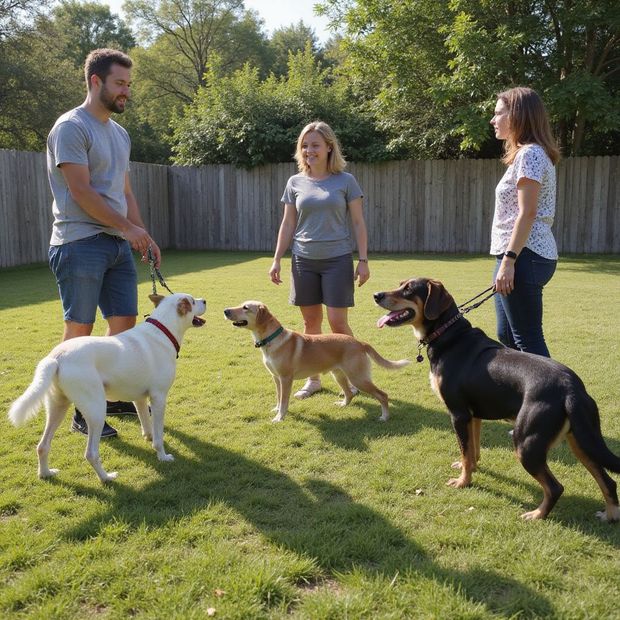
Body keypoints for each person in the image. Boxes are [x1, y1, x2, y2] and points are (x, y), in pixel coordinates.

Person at [46, 48, 161, 438]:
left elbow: (123, 191)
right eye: (120, 83)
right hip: (78, 241)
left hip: (116, 242)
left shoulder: (120, 132)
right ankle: (82, 410)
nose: (126, 91)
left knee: (124, 326)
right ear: (96, 81)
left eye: (129, 84)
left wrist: (140, 232)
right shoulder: (71, 127)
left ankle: (108, 397)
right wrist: (127, 229)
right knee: (80, 330)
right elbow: (81, 191)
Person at [269, 121, 370, 398]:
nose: (309, 150)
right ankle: (313, 380)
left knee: (338, 323)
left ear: (329, 147)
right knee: (310, 326)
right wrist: (277, 258)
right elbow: (288, 224)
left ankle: (351, 379)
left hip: (337, 259)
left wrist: (363, 260)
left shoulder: (346, 181)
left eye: (315, 145)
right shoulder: (295, 182)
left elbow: (359, 223)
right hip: (303, 260)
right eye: (304, 145)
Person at [489, 86, 560, 358]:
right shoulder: (525, 154)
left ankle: (553, 399)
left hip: (523, 256)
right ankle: (519, 398)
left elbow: (527, 212)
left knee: (526, 340)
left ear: (517, 115)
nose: (493, 120)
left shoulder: (530, 154)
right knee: (507, 337)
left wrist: (508, 260)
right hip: (520, 255)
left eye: (498, 113)